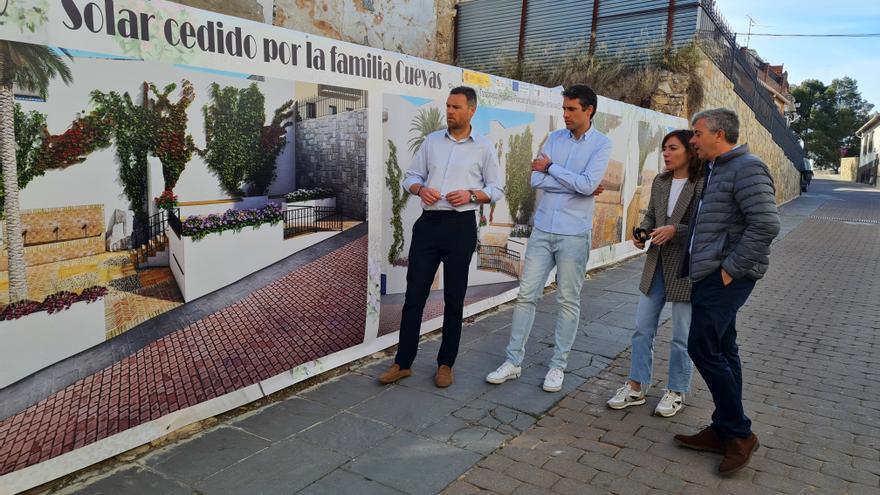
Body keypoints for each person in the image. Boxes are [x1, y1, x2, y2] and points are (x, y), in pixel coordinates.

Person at [673, 108, 780, 476]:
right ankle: (723, 429)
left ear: (719, 134)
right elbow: (713, 224)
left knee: (701, 347)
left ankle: (738, 434)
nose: (692, 139)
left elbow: (766, 224)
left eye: (697, 132)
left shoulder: (747, 168)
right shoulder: (717, 169)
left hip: (726, 277)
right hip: (711, 274)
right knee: (723, 347)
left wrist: (729, 271)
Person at [486, 85, 612, 393]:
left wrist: (554, 169)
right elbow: (535, 179)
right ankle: (513, 362)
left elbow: (584, 184)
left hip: (574, 234)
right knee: (526, 295)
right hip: (543, 229)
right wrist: (576, 183)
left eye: (571, 109)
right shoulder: (554, 138)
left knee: (568, 300)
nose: (565, 114)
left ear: (589, 110)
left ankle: (558, 366)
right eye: (564, 109)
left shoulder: (601, 144)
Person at [379, 86, 502, 388]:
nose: (450, 111)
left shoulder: (484, 148)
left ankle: (445, 364)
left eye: (456, 107)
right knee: (414, 297)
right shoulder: (431, 141)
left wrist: (472, 194)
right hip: (428, 225)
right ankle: (403, 362)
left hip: (460, 227)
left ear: (471, 110)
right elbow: (410, 177)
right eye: (448, 106)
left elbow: (497, 188)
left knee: (454, 299)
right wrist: (420, 189)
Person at [607, 130, 703, 417]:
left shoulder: (701, 184)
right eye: (664, 149)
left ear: (688, 151)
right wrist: (643, 232)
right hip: (657, 262)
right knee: (642, 328)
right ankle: (636, 386)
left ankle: (676, 389)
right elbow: (652, 215)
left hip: (685, 267)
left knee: (681, 334)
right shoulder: (661, 182)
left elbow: (704, 226)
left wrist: (676, 231)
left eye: (673, 148)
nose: (666, 153)